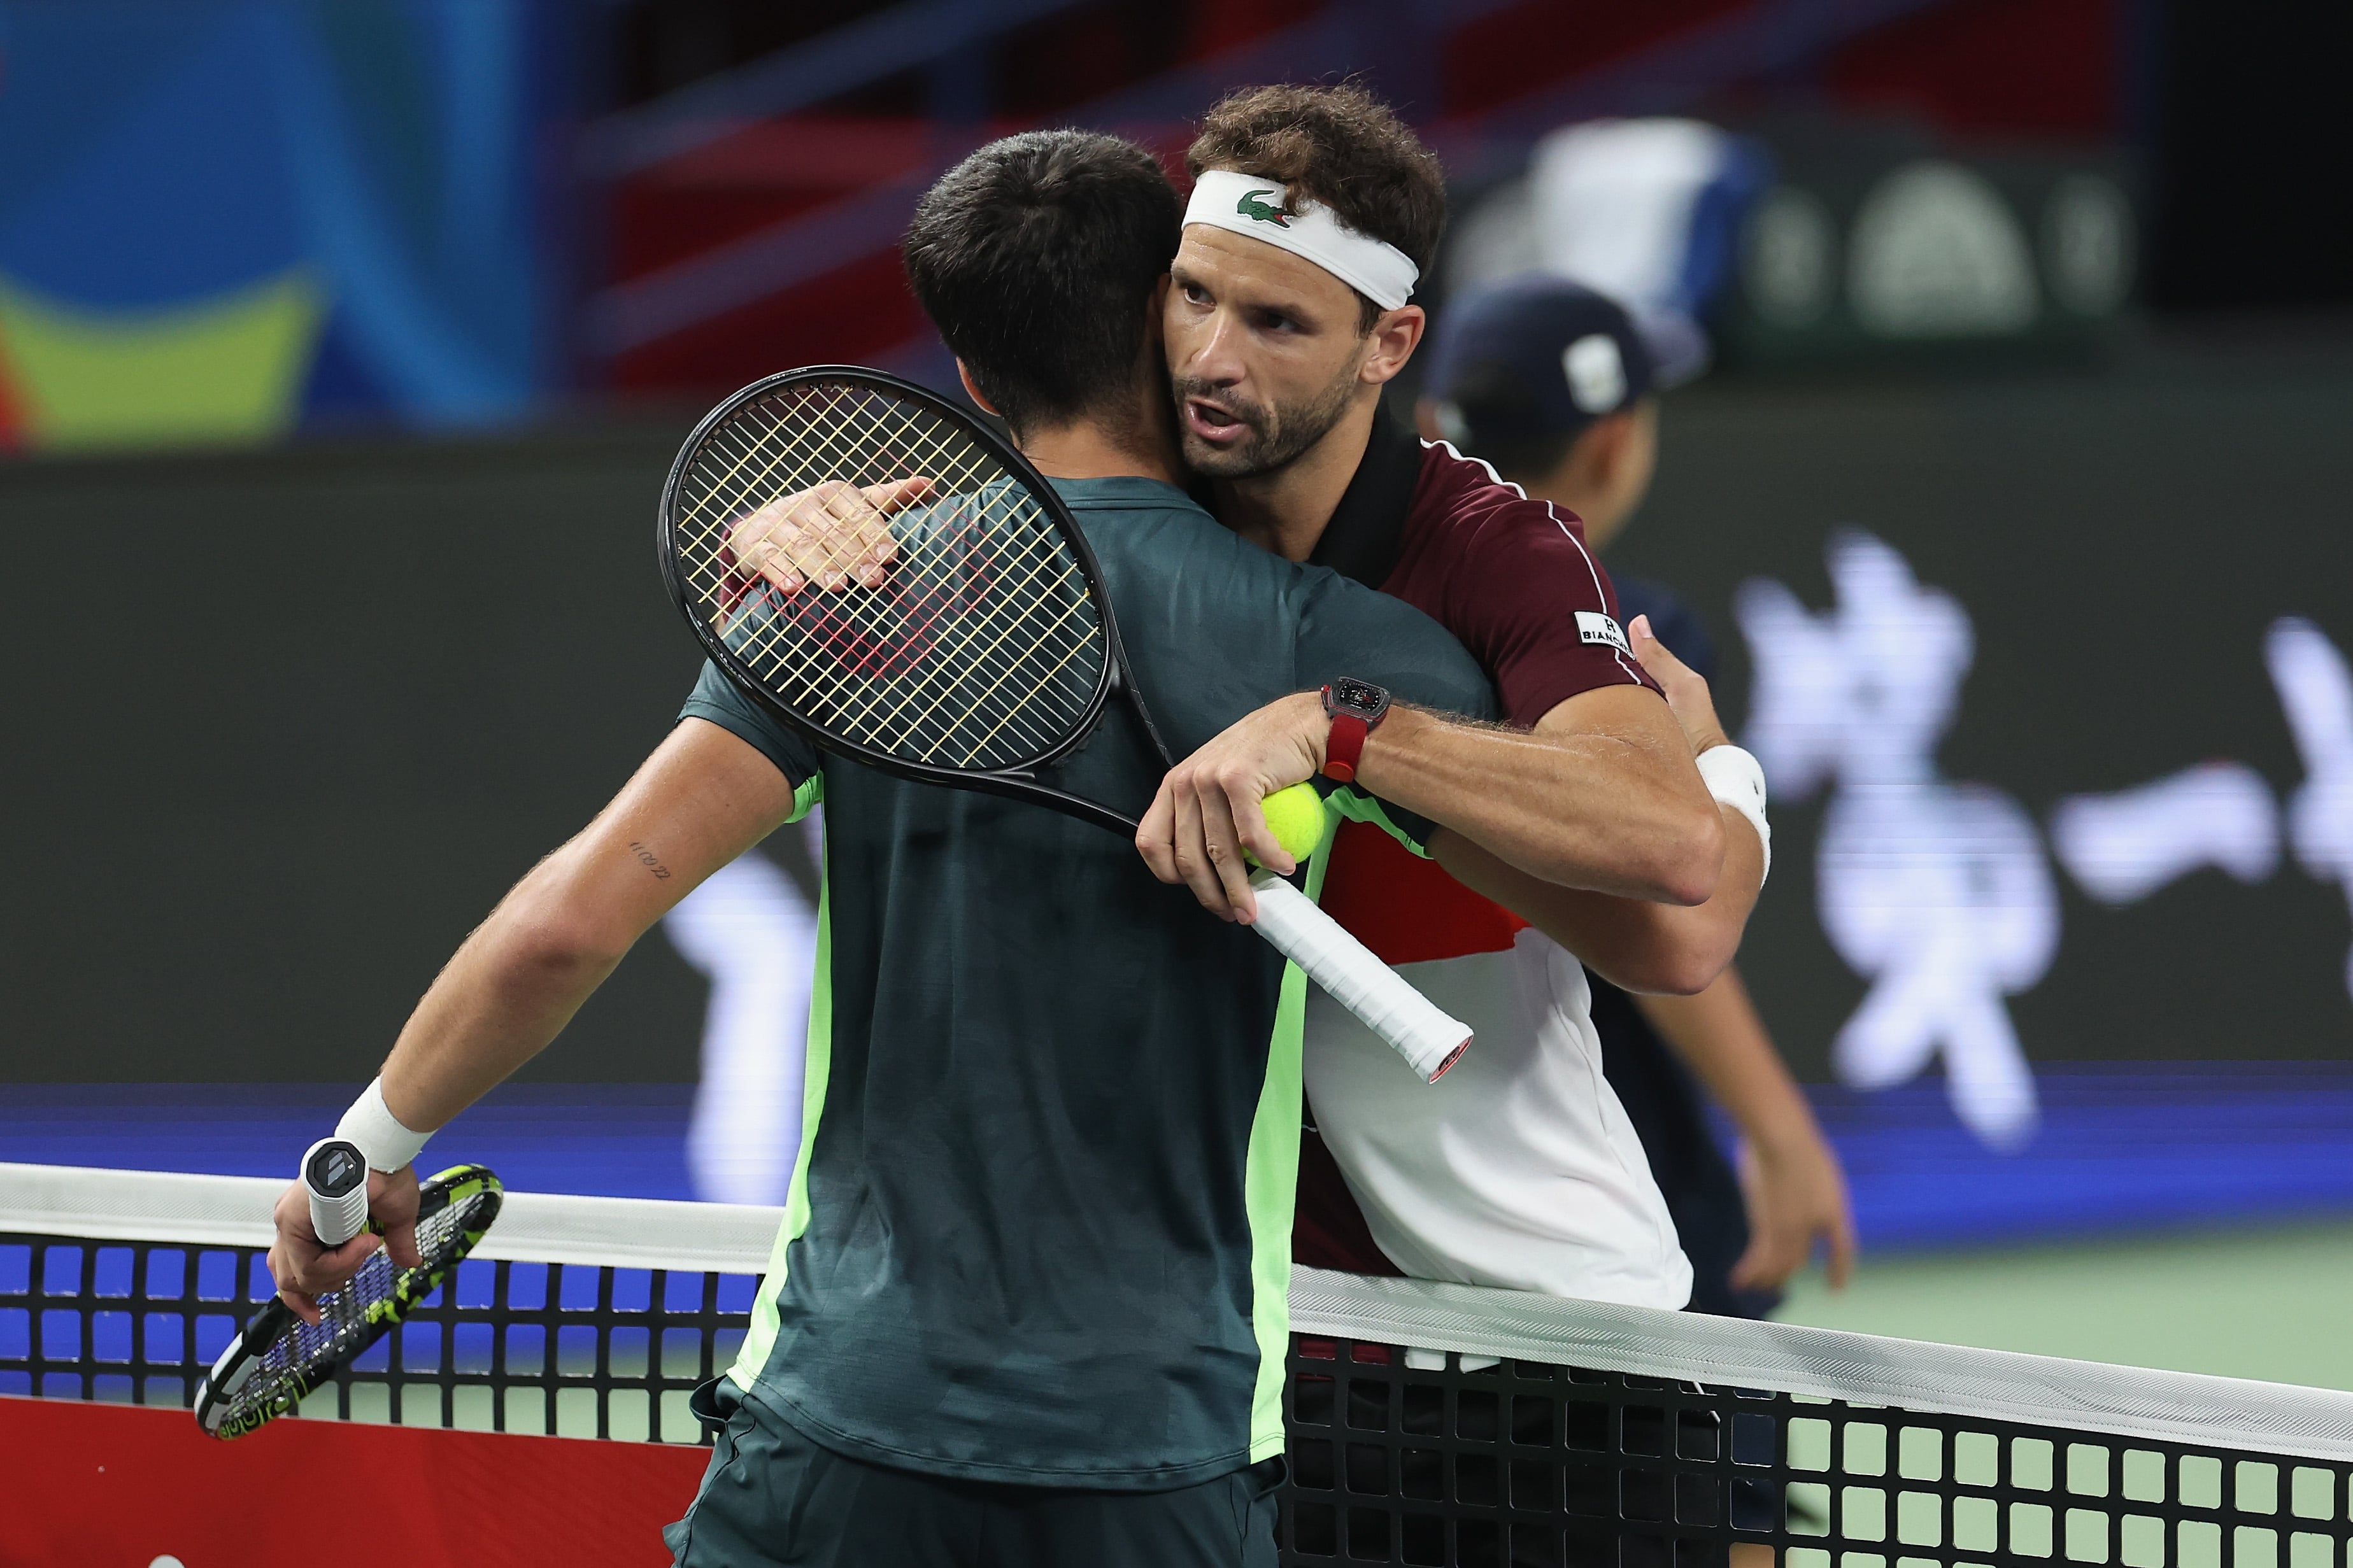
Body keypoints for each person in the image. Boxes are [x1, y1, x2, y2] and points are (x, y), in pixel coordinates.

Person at [267, 130, 1500, 1568]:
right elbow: (1596, 835)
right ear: (1171, 314)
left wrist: (365, 1153)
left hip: (843, 1428)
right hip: (1160, 1451)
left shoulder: (840, 592)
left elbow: (570, 920)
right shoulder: (1331, 640)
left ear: (972, 380)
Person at [1133, 83, 1774, 1313]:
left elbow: (1676, 895)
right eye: (1194, 295)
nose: (1211, 359)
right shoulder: (1135, 493)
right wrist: (832, 516)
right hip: (1250, 1333)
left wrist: (1347, 727)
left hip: (1529, 1332)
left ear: (1391, 344)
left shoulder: (1498, 557)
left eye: (1278, 322)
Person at [1418, 274, 1857, 1316]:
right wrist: (1779, 1132)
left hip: (1400, 1191)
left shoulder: (1357, 609)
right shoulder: (1635, 634)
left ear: (1434, 423)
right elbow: (1672, 931)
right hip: (1610, 1180)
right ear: (1618, 443)